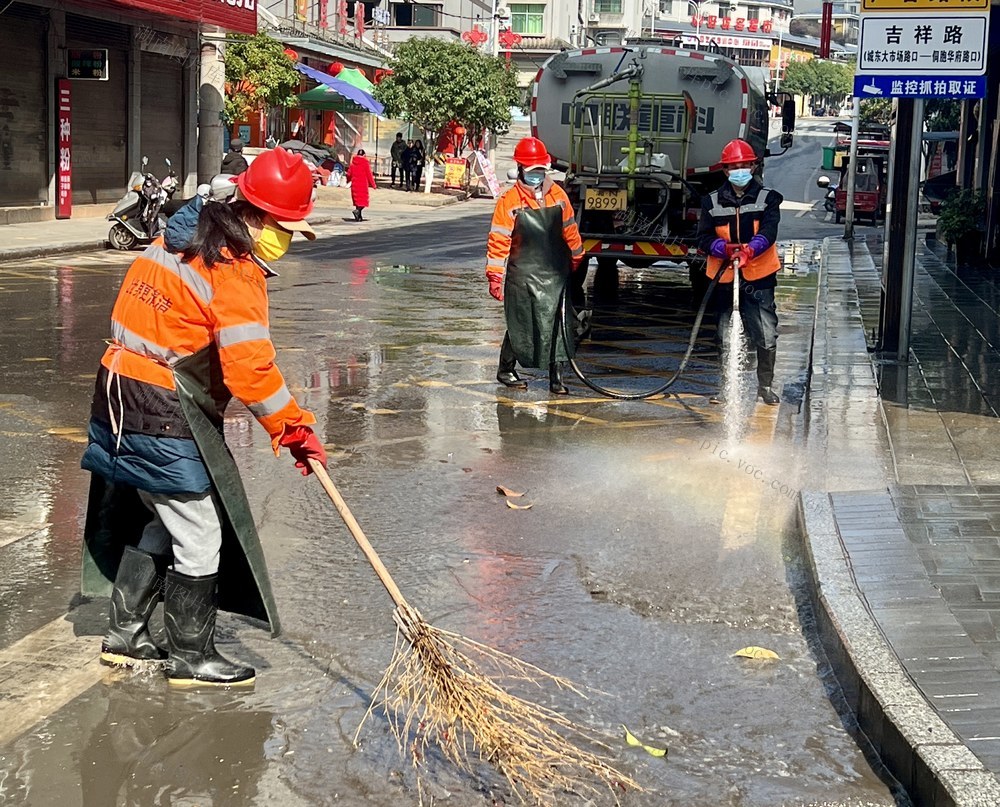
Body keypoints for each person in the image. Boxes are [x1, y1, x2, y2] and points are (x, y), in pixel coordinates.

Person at [80, 147, 328, 688]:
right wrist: (293, 427)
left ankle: (125, 636)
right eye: (285, 227)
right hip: (162, 403)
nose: (286, 240)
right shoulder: (232, 269)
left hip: (119, 386)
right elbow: (251, 371)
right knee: (199, 529)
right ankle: (192, 655)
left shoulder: (175, 241)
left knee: (161, 515)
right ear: (258, 217)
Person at [485, 136, 585, 395]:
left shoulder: (558, 195)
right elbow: (499, 240)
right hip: (523, 274)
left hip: (553, 272)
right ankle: (506, 368)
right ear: (520, 170)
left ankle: (557, 377)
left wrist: (577, 255)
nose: (536, 176)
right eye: (532, 172)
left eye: (540, 171)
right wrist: (495, 276)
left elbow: (570, 230)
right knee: (522, 323)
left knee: (558, 324)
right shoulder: (509, 201)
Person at [697, 138, 783, 406]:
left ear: (754, 166)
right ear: (725, 170)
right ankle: (727, 389)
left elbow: (769, 231)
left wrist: (750, 249)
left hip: (758, 277)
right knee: (725, 336)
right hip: (724, 278)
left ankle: (765, 386)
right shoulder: (710, 202)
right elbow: (702, 238)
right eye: (734, 166)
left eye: (745, 165)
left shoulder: (767, 198)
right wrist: (721, 247)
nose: (740, 170)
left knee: (766, 333)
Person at [346, 148, 376, 221]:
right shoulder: (365, 163)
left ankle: (359, 217)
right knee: (363, 201)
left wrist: (348, 181)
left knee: (357, 201)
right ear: (364, 155)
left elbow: (349, 174)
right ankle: (357, 211)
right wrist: (373, 184)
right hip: (362, 185)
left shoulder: (353, 163)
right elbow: (369, 175)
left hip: (355, 185)